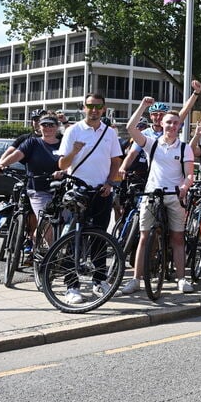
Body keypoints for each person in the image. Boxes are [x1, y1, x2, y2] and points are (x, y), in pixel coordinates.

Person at [120, 97, 196, 295]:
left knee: (178, 238)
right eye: (168, 122)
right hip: (152, 194)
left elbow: (189, 174)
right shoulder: (151, 144)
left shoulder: (184, 147)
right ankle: (136, 279)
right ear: (161, 124)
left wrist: (185, 186)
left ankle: (181, 278)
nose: (171, 125)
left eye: (175, 122)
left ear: (179, 125)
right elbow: (130, 127)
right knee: (144, 237)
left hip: (174, 196)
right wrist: (143, 106)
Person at [57, 93, 124, 305]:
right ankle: (72, 286)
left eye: (98, 106)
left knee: (100, 238)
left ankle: (99, 280)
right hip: (77, 191)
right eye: (90, 106)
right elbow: (61, 164)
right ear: (83, 108)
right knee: (73, 239)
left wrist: (110, 183)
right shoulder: (73, 130)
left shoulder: (109, 133)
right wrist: (74, 150)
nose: (94, 110)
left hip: (101, 191)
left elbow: (116, 161)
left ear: (104, 109)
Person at [0, 114, 63, 250]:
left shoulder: (63, 143)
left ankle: (41, 244)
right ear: (39, 127)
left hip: (59, 190)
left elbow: (70, 162)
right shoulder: (32, 142)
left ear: (57, 127)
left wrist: (63, 172)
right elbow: (16, 155)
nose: (47, 128)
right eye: (44, 125)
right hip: (38, 190)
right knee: (46, 223)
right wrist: (1, 165)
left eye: (51, 125)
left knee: (64, 223)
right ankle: (53, 261)